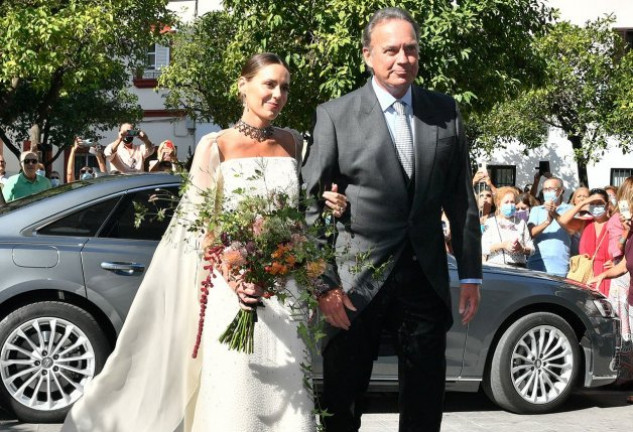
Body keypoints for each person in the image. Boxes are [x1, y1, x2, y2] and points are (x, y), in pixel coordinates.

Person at [61, 53, 348, 432]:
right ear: (243, 85)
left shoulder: (294, 143)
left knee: (288, 391)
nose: (278, 94)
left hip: (286, 292)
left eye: (285, 87)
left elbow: (299, 219)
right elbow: (203, 226)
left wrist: (327, 208)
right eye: (269, 84)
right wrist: (235, 274)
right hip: (234, 292)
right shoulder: (216, 146)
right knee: (237, 391)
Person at [302, 8, 482, 432]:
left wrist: (471, 274)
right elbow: (307, 203)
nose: (402, 59)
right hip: (354, 284)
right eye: (391, 50)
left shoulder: (445, 112)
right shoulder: (335, 115)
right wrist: (323, 284)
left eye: (411, 49)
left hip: (425, 278)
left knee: (424, 399)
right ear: (368, 55)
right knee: (342, 400)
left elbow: (461, 200)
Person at [589, 177, 633, 385]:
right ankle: (624, 376)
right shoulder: (621, 222)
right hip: (626, 288)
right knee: (625, 334)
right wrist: (604, 275)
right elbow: (622, 258)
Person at [558, 188, 613, 295]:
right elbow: (562, 220)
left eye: (600, 203)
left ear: (607, 204)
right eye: (593, 203)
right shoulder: (584, 223)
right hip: (585, 275)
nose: (596, 206)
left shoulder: (614, 223)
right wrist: (584, 202)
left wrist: (617, 262)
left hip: (608, 275)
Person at [526, 176, 576, 276]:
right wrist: (547, 222)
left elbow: (572, 230)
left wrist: (555, 215)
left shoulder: (570, 209)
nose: (548, 192)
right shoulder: (536, 210)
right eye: (545, 189)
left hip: (560, 267)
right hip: (536, 265)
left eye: (552, 189)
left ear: (561, 191)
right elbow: (530, 233)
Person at [481, 187, 534, 267]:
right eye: (506, 202)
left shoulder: (521, 223)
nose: (510, 205)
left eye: (512, 202)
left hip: (518, 268)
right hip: (497, 268)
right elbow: (484, 248)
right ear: (499, 204)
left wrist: (521, 248)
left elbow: (532, 249)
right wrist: (502, 245)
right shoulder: (490, 222)